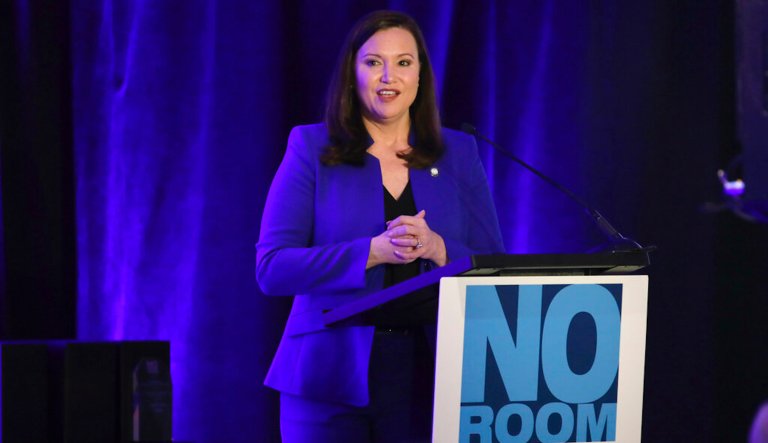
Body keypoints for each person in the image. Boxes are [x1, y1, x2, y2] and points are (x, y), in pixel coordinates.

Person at [256, 10, 504, 442]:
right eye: (373, 62)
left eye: (403, 62)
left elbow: (493, 266)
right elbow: (273, 268)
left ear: (421, 75)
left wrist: (438, 248)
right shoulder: (311, 147)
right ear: (352, 74)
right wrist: (372, 252)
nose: (389, 77)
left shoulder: (458, 153)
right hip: (325, 376)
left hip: (431, 378)